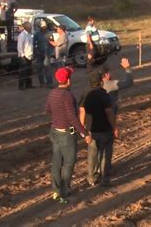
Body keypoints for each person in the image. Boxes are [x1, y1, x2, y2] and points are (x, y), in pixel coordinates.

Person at [45, 67, 92, 204]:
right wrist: (84, 133)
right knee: (69, 162)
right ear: (68, 80)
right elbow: (73, 117)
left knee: (57, 161)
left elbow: (48, 109)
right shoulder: (67, 96)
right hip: (66, 134)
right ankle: (64, 191)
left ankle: (56, 189)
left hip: (54, 131)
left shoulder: (52, 93)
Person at [79, 70, 119, 187]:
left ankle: (91, 177)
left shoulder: (85, 94)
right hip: (105, 129)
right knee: (105, 154)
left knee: (92, 153)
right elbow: (109, 113)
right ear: (101, 81)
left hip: (91, 130)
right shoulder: (103, 94)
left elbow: (82, 111)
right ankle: (104, 178)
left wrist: (83, 130)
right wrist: (114, 127)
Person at [34, 20, 53, 88]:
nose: (43, 28)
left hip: (47, 54)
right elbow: (34, 44)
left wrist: (50, 51)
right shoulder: (37, 34)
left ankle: (49, 83)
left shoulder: (50, 34)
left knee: (47, 69)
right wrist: (36, 51)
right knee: (40, 69)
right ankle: (41, 83)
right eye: (42, 27)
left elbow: (52, 44)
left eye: (44, 27)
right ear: (40, 27)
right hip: (39, 54)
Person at [17, 21, 34, 90]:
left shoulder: (29, 35)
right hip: (24, 56)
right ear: (26, 27)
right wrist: (22, 55)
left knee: (29, 71)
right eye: (30, 27)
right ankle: (21, 86)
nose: (31, 28)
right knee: (23, 72)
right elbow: (20, 46)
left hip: (29, 55)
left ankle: (28, 84)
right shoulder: (22, 35)